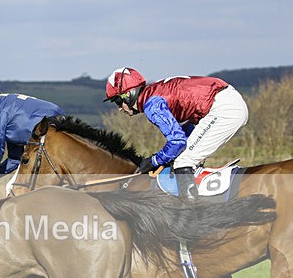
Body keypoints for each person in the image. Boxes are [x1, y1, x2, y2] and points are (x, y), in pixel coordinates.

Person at [104, 67, 248, 201]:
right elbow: (187, 132)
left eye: (117, 101)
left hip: (224, 108)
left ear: (128, 95)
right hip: (227, 101)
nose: (119, 109)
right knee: (185, 157)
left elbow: (177, 141)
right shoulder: (156, 92)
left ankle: (192, 212)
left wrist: (153, 161)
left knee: (184, 161)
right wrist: (168, 157)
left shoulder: (152, 104)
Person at [0, 73, 63, 191]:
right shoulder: (7, 109)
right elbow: (14, 161)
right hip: (56, 130)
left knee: (12, 189)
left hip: (48, 136)